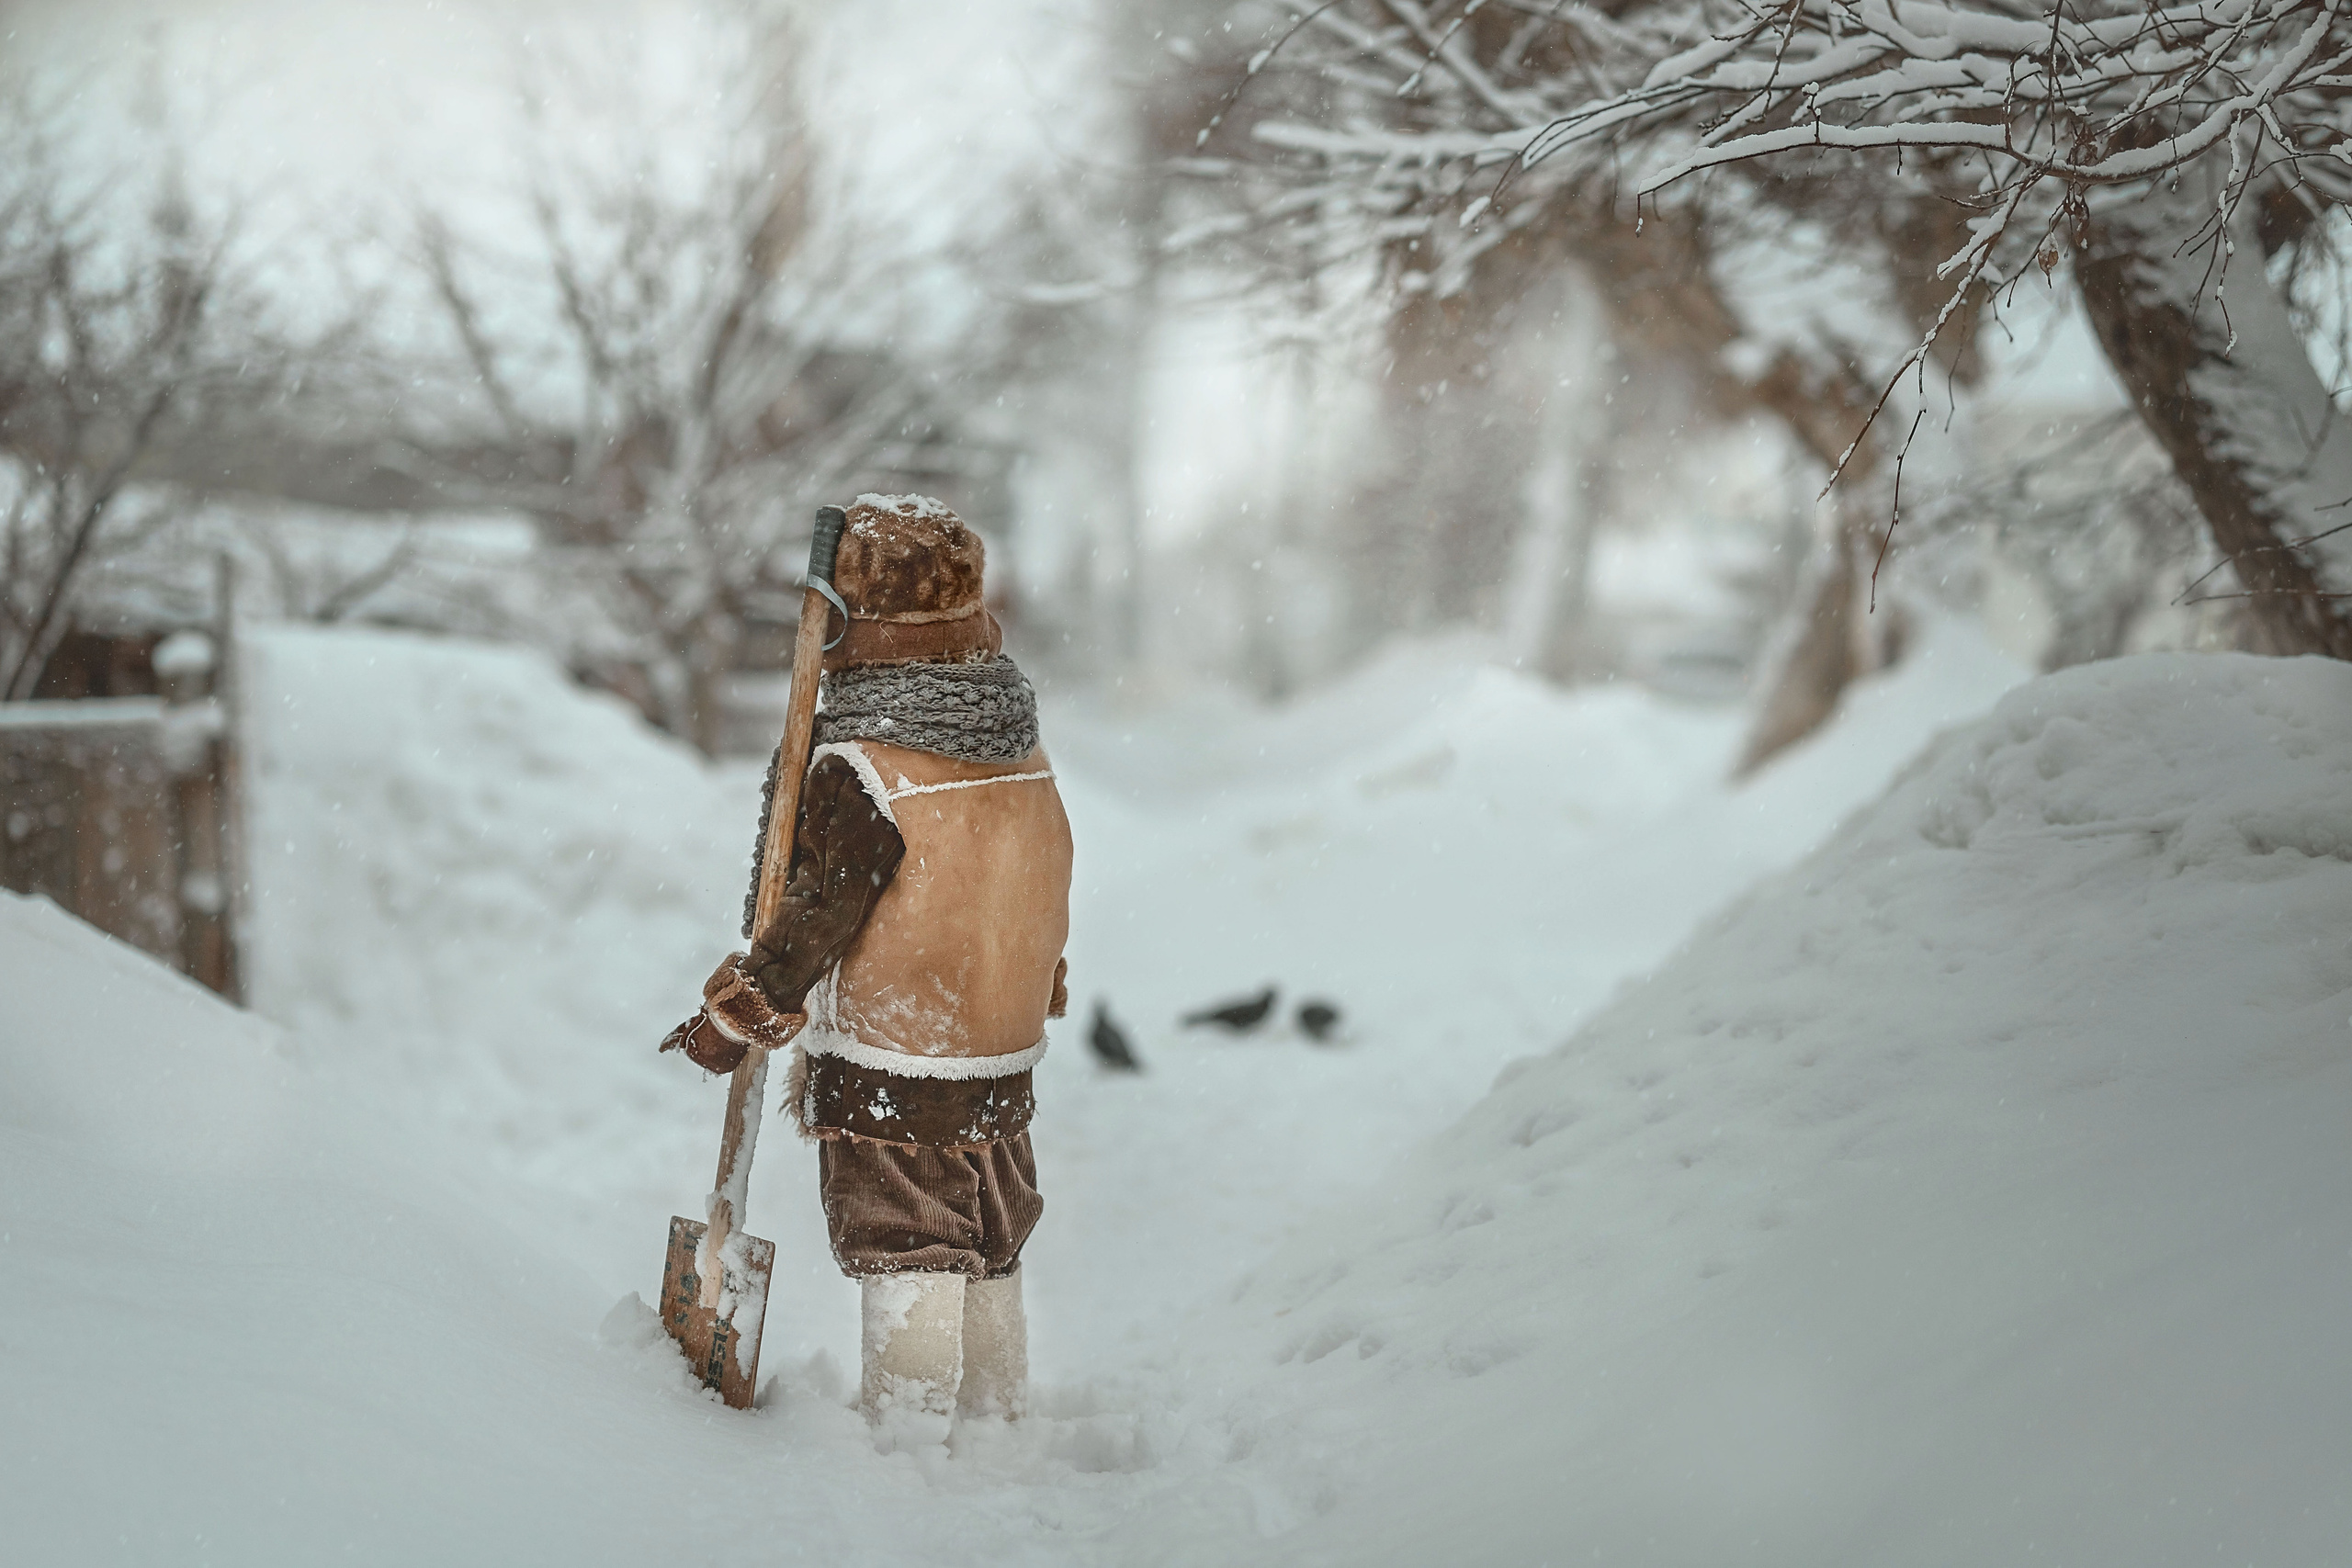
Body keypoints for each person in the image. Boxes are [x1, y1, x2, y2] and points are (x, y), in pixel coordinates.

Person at [662, 493, 1072, 1438]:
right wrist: (1038, 986)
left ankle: (915, 1435)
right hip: (1000, 1050)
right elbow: (1040, 872)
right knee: (988, 1237)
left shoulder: (866, 764)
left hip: (902, 1057)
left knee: (912, 1245)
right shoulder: (1012, 742)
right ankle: (997, 1415)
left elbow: (818, 916)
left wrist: (739, 1014)